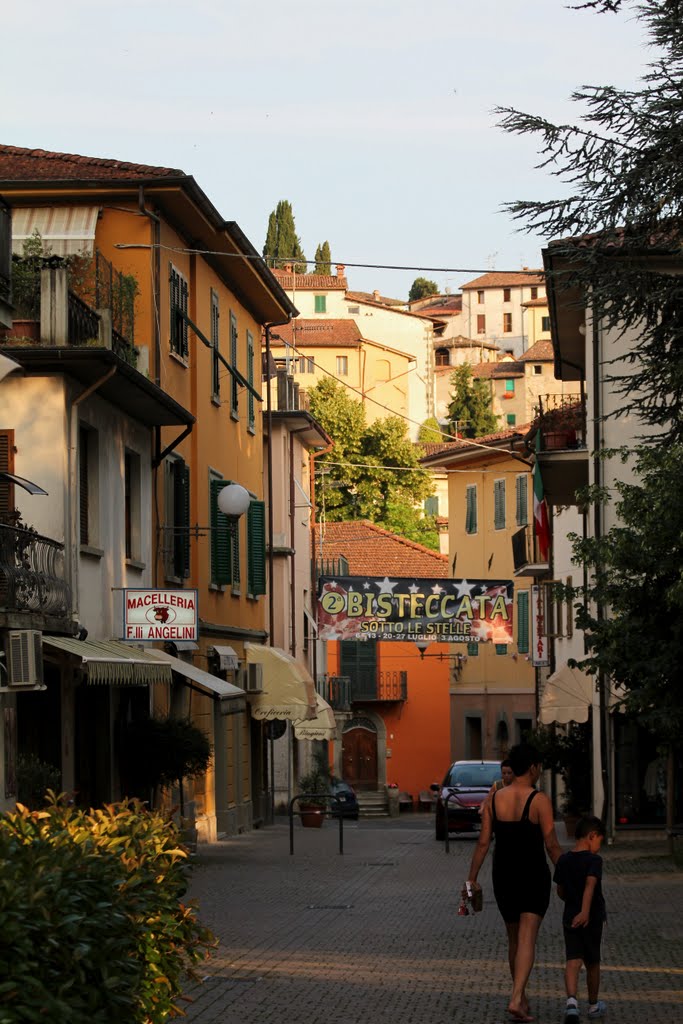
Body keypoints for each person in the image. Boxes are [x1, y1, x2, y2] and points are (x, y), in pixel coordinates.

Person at [465, 742, 562, 1023]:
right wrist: (570, 874)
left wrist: (471, 877)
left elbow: (483, 843)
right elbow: (552, 845)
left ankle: (521, 996)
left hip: (503, 875)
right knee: (527, 937)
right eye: (539, 766)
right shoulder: (540, 800)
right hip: (532, 875)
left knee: (513, 939)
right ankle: (517, 998)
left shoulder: (494, 799)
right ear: (532, 768)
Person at [554, 815, 607, 1022]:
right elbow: (590, 885)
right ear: (592, 836)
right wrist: (585, 911)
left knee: (573, 960)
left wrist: (573, 904)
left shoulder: (564, 860)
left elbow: (560, 890)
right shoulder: (594, 860)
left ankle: (572, 1004)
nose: (599, 847)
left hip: (570, 916)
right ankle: (593, 1006)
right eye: (599, 841)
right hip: (591, 917)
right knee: (592, 962)